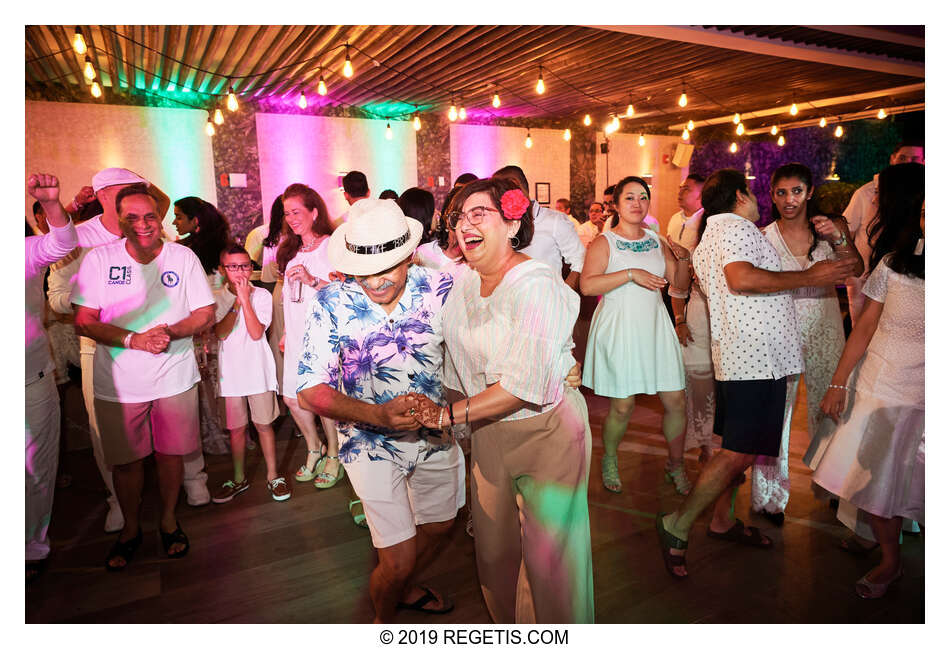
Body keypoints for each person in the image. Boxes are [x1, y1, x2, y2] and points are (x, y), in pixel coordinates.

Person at [655, 169, 853, 579]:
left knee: (735, 445)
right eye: (760, 191)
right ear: (741, 196)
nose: (766, 199)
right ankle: (677, 523)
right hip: (756, 361)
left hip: (742, 358)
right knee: (738, 453)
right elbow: (740, 278)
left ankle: (722, 520)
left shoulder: (714, 232)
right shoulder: (738, 228)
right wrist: (811, 276)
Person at [415, 177, 595, 623]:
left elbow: (520, 387)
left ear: (512, 224)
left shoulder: (536, 283)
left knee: (552, 563)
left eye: (479, 213)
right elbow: (455, 363)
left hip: (548, 432)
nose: (464, 225)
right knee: (494, 556)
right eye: (458, 217)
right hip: (488, 433)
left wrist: (443, 416)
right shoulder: (464, 286)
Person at [296, 198, 464, 622]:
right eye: (363, 270)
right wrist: (377, 416)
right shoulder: (332, 302)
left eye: (386, 267)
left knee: (443, 524)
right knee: (397, 561)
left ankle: (400, 588)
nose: (374, 281)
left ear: (409, 254)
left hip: (436, 436)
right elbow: (307, 390)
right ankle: (383, 621)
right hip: (367, 442)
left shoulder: (442, 289)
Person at [46, 168, 212, 532]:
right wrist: (132, 339)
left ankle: (169, 520)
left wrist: (170, 330)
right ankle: (131, 526)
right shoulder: (97, 257)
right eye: (133, 217)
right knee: (125, 461)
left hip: (174, 376)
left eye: (150, 215)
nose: (143, 224)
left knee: (170, 454)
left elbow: (205, 311)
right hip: (118, 381)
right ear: (118, 220)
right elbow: (85, 319)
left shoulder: (181, 258)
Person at [808, 162, 924, 599]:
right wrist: (838, 385)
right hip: (882, 384)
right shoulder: (894, 261)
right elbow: (864, 326)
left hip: (930, 392)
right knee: (875, 481)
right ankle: (890, 562)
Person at [750, 163, 863, 526]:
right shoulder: (762, 236)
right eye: (781, 192)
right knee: (775, 413)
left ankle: (831, 486)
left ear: (810, 192)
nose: (789, 200)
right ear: (772, 195)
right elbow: (755, 283)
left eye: (796, 191)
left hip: (825, 325)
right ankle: (770, 497)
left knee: (829, 405)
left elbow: (856, 268)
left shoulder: (830, 229)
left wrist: (839, 238)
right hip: (780, 325)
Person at [580, 176, 692, 495]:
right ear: (615, 204)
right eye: (629, 198)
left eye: (643, 197)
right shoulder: (605, 242)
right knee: (623, 406)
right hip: (621, 326)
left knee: (676, 401)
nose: (637, 203)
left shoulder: (657, 240)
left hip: (655, 325)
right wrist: (630, 274)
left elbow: (679, 286)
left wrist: (682, 258)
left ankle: (676, 463)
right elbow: (588, 285)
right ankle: (610, 458)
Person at [26, 173, 78, 582]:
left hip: (30, 381)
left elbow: (63, 243)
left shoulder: (22, 252)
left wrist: (51, 205)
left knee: (36, 469)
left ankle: (32, 548)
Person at [276, 183, 341, 488]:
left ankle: (335, 453)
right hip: (296, 334)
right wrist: (287, 331)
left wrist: (312, 279)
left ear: (314, 212)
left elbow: (344, 292)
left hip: (321, 335)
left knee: (321, 398)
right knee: (291, 398)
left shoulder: (331, 246)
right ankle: (315, 447)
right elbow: (290, 296)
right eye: (287, 212)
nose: (291, 218)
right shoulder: (289, 249)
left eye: (297, 211)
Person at [211, 244, 287, 503]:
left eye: (244, 265)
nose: (240, 271)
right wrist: (236, 303)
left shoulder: (262, 296)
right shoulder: (216, 297)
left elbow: (256, 332)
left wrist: (246, 299)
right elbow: (220, 333)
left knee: (264, 425)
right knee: (236, 429)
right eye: (233, 267)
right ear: (223, 270)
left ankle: (273, 475)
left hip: (258, 371)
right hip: (230, 374)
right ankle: (239, 477)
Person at [172, 197, 233, 455]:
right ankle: (227, 429)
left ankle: (212, 431)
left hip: (203, 321)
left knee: (208, 379)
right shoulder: (222, 247)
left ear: (195, 221)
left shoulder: (185, 253)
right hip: (217, 319)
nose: (174, 222)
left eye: (178, 216)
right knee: (218, 378)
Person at [842, 141, 923, 324]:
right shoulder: (864, 193)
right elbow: (847, 229)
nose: (874, 200)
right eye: (902, 158)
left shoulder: (918, 242)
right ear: (892, 158)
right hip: (865, 278)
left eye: (915, 159)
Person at [492, 166, 585, 290]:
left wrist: (564, 295)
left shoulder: (554, 220)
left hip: (546, 303)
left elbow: (580, 260)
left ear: (514, 184)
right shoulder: (499, 222)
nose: (496, 198)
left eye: (498, 191)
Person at [667, 174, 705, 250]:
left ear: (701, 195)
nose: (680, 193)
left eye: (686, 189)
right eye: (680, 188)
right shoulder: (675, 218)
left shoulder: (706, 221)